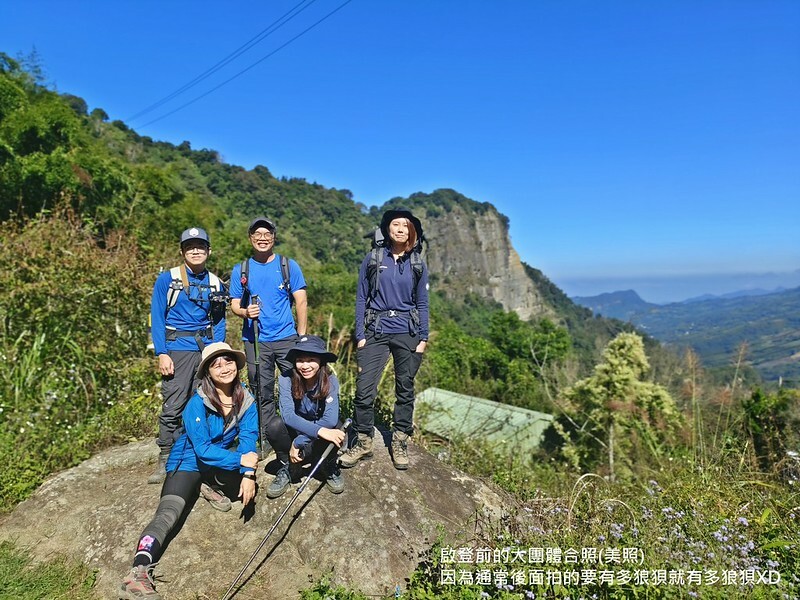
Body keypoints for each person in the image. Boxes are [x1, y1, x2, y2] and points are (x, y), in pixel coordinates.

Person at [118, 342, 258, 600]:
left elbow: (249, 439)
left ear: (236, 366)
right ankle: (137, 572)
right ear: (207, 372)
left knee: (242, 492)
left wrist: (249, 473)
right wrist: (244, 461)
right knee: (168, 514)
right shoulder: (197, 403)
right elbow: (203, 449)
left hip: (217, 463)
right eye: (216, 365)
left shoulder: (245, 400)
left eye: (228, 362)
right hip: (188, 462)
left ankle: (205, 484)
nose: (224, 368)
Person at [342, 209, 429, 471]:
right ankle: (364, 441)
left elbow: (423, 303)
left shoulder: (417, 264)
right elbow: (361, 298)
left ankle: (400, 440)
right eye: (396, 224)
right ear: (387, 229)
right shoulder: (373, 258)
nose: (401, 228)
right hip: (376, 330)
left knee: (405, 388)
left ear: (412, 232)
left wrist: (423, 337)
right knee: (364, 389)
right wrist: (360, 336)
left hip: (407, 331)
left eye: (406, 225)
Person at [148, 227, 227, 484]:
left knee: (200, 402)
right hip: (177, 348)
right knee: (174, 401)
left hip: (204, 348)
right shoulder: (167, 280)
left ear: (208, 251)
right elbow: (157, 317)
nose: (195, 250)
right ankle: (165, 456)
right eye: (190, 246)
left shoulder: (215, 283)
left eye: (200, 246)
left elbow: (219, 319)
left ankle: (188, 454)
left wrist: (218, 351)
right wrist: (161, 352)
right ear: (182, 251)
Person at [229, 216, 308, 456]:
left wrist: (301, 337)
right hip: (255, 340)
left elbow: (301, 300)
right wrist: (245, 311)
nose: (262, 239)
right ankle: (266, 436)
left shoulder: (287, 265)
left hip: (286, 337)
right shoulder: (241, 269)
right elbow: (233, 304)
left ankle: (298, 432)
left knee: (297, 385)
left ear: (274, 238)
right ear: (250, 238)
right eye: (257, 235)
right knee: (260, 388)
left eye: (267, 234)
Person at [264, 335, 346, 498]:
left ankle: (326, 465)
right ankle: (290, 466)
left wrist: (299, 442)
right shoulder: (286, 378)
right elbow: (288, 416)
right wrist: (297, 438)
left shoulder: (330, 380)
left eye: (311, 359)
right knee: (274, 426)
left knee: (336, 427)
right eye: (300, 360)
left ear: (321, 361)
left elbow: (329, 420)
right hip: (299, 430)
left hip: (319, 434)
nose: (305, 365)